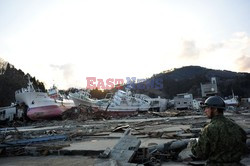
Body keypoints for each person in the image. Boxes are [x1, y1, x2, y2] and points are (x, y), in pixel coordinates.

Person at [191, 96, 247, 165]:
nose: (205, 111)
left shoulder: (209, 129)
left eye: (207, 107)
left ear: (215, 109)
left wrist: (193, 143)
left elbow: (201, 154)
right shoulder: (237, 127)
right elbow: (244, 147)